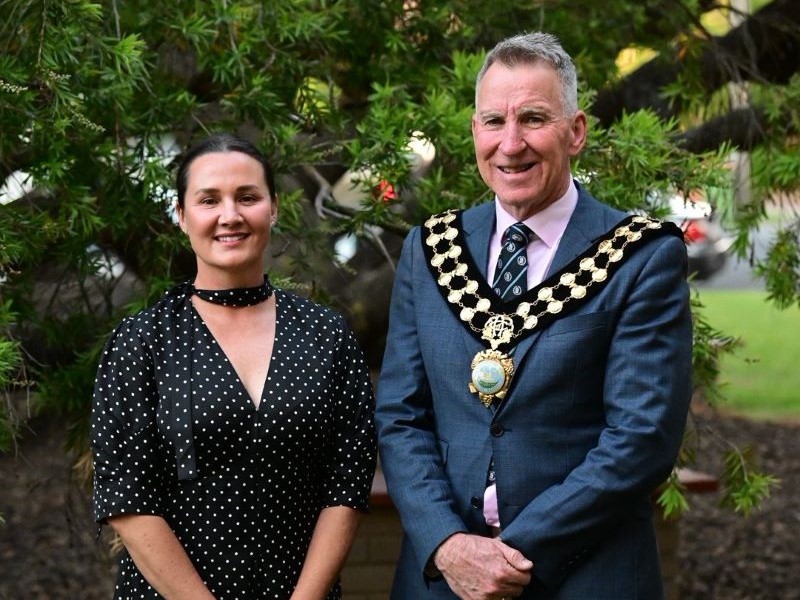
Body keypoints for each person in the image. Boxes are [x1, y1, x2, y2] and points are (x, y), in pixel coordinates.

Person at [375, 32, 692, 600]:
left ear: (576, 133)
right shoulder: (429, 249)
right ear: (475, 132)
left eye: (535, 119)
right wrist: (449, 545)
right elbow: (400, 417)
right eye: (494, 121)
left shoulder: (640, 255)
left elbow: (642, 437)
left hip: (587, 575)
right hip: (442, 579)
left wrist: (511, 558)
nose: (511, 143)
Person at [91, 133, 377, 600]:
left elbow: (346, 485)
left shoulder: (327, 335)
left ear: (274, 207)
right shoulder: (142, 342)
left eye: (248, 197)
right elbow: (127, 497)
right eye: (209, 200)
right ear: (181, 215)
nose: (230, 215)